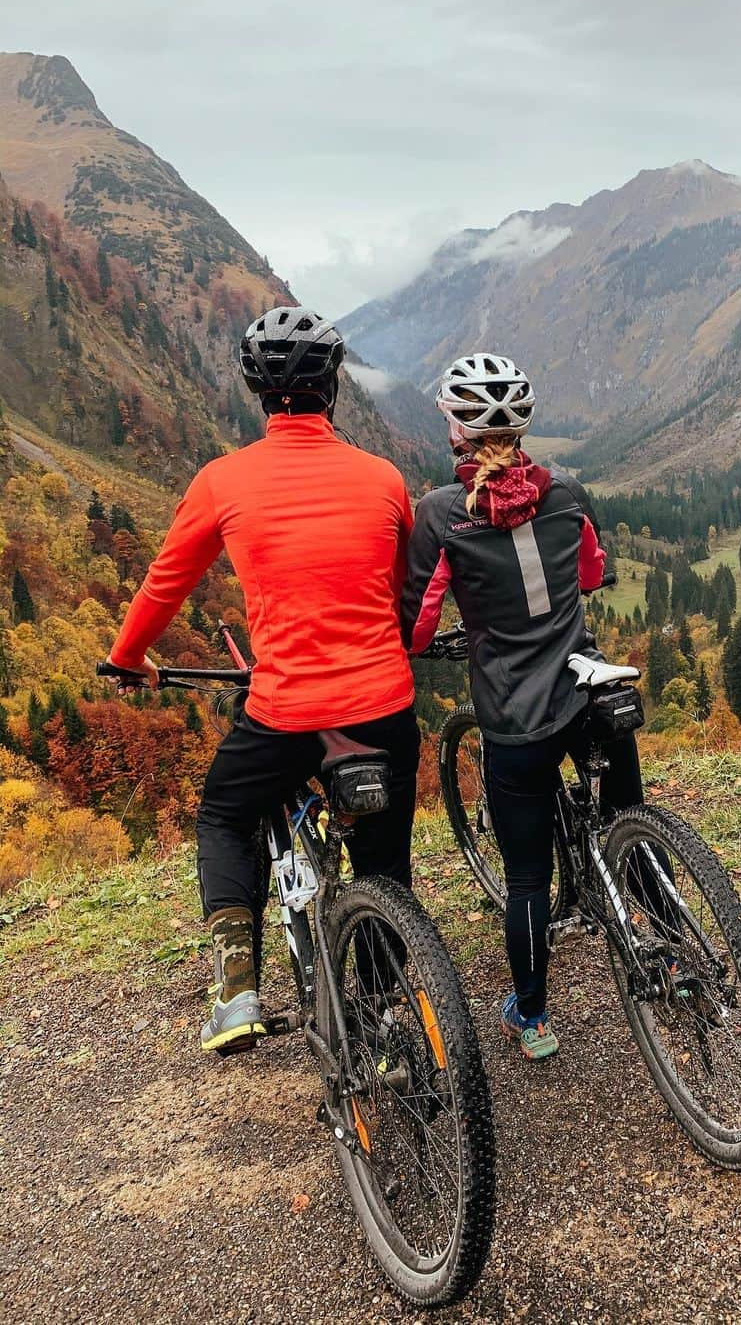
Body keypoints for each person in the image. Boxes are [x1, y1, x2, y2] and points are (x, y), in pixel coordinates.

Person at [104, 306, 418, 1054]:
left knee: (222, 814)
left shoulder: (223, 480)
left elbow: (164, 583)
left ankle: (238, 987)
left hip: (286, 714)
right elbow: (400, 592)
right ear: (332, 387)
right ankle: (379, 1015)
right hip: (384, 707)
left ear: (256, 391)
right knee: (386, 867)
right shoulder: (383, 478)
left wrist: (126, 657)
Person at [400, 353, 645, 1061]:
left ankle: (532, 1018)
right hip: (590, 685)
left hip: (516, 714)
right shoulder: (567, 491)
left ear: (456, 430)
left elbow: (417, 628)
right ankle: (658, 923)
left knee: (529, 877)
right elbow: (592, 575)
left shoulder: (443, 515)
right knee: (629, 819)